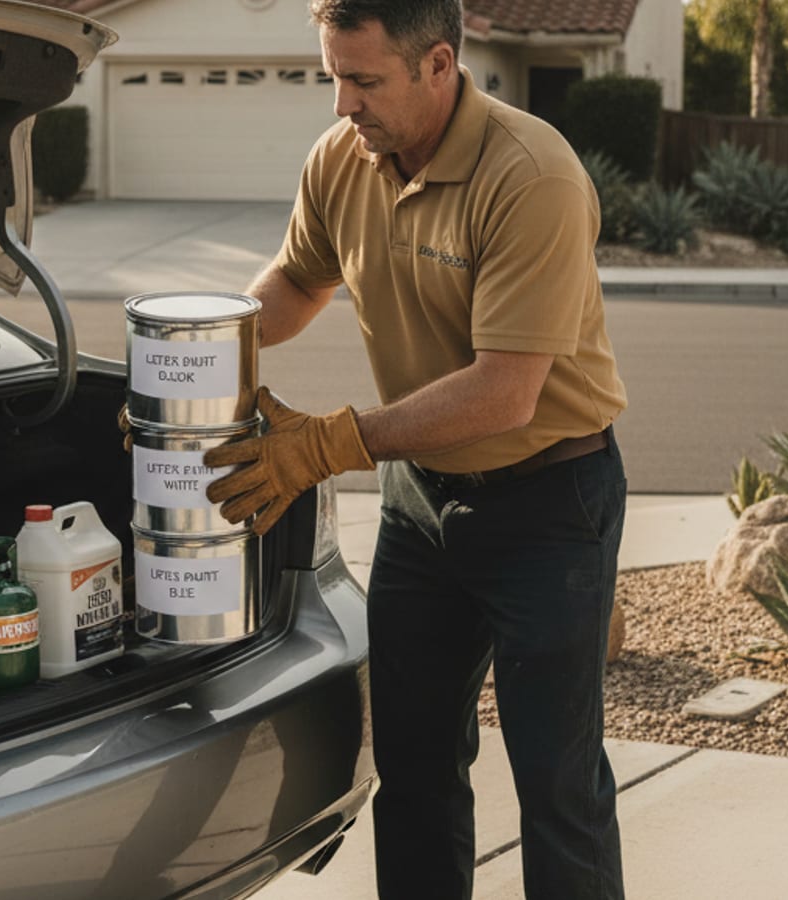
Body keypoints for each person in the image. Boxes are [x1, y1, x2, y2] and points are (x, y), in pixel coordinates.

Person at [201, 1, 628, 897]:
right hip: (420, 503)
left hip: (550, 506)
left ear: (438, 65)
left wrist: (326, 445)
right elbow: (293, 281)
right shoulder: (345, 160)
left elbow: (504, 391)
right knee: (416, 765)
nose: (341, 106)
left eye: (364, 81)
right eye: (333, 78)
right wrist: (196, 358)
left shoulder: (531, 174)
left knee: (558, 784)